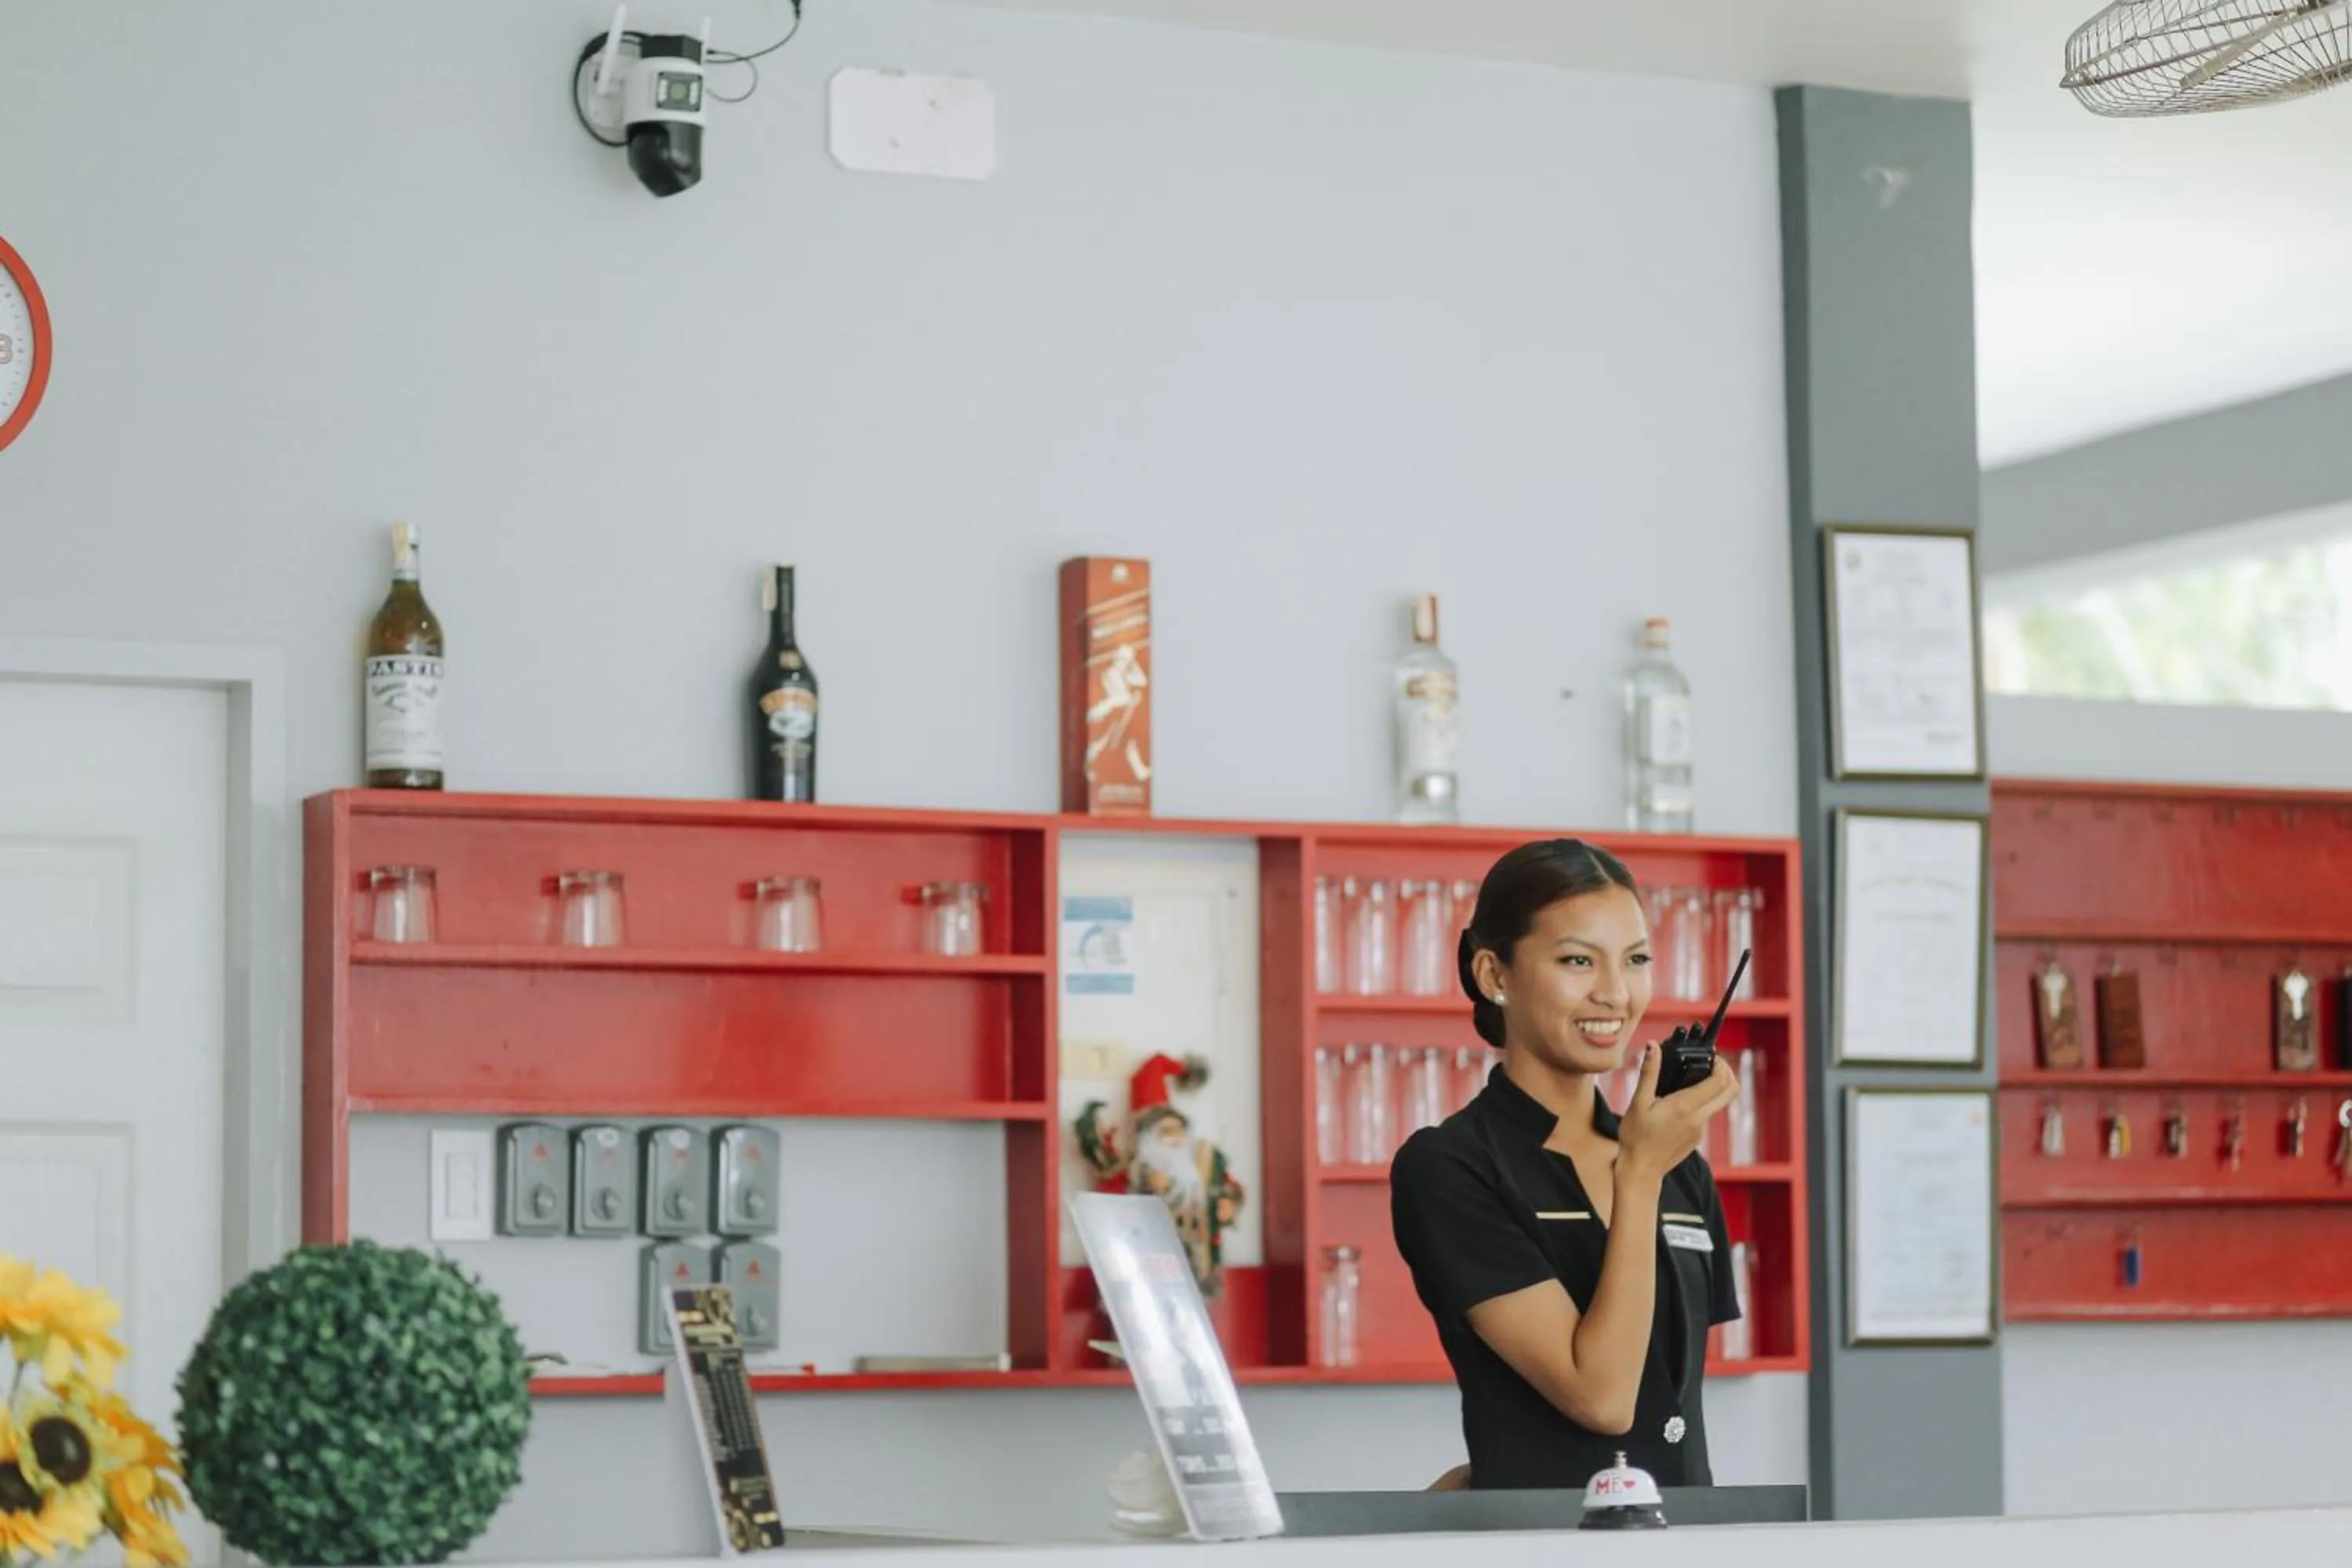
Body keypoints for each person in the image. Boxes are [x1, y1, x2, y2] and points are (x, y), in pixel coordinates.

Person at [1390, 838, 1742, 1491]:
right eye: (1578, 960)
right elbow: (1603, 1400)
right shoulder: (1451, 1167)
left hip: (1689, 1531)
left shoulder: (1679, 1165)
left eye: (1636, 960)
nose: (1615, 993)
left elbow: (1671, 1402)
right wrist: (1639, 1174)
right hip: (1544, 1538)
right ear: (1494, 975)